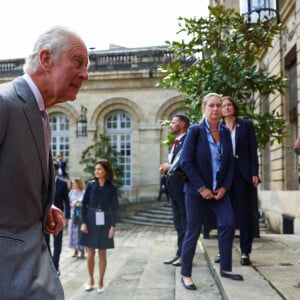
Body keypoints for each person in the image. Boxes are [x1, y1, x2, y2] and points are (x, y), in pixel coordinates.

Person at [0, 26, 89, 299]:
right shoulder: (4, 103)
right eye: (78, 63)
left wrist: (41, 205)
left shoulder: (40, 114)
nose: (86, 74)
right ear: (47, 59)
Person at [179, 93, 243, 291]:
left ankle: (225, 267)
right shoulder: (195, 131)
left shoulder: (224, 132)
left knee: (228, 223)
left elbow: (231, 163)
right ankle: (186, 274)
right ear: (204, 109)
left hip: (219, 191)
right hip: (196, 192)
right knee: (193, 232)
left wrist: (225, 187)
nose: (216, 109)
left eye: (219, 106)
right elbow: (186, 162)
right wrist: (202, 188)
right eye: (212, 106)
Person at [219, 96, 260, 266]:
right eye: (223, 105)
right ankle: (223, 252)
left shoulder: (246, 125)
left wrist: (254, 172)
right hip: (224, 177)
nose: (226, 107)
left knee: (244, 215)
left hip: (243, 176)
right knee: (224, 216)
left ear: (234, 107)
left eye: (229, 105)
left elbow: (252, 150)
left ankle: (245, 252)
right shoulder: (218, 127)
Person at [80, 159, 119, 294]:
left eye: (99, 169)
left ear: (106, 172)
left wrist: (113, 226)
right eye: (95, 169)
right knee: (90, 252)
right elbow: (83, 204)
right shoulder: (90, 185)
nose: (96, 171)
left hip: (105, 220)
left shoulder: (112, 188)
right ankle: (90, 279)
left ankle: (101, 281)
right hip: (90, 219)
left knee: (102, 252)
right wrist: (83, 222)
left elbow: (114, 208)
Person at [159, 114, 190, 267]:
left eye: (173, 122)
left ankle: (185, 255)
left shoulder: (188, 141)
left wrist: (169, 167)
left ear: (182, 125)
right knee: (178, 223)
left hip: (183, 187)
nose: (170, 125)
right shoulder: (174, 143)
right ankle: (179, 253)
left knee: (184, 222)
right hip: (173, 188)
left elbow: (187, 163)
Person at [45, 160, 71, 275]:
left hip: (58, 217)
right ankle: (50, 264)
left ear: (56, 170)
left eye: (52, 169)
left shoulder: (62, 183)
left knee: (58, 242)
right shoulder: (43, 182)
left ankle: (56, 265)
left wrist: (67, 217)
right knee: (45, 242)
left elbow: (67, 201)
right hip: (45, 217)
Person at [68, 177, 86, 258]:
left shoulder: (83, 192)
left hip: (80, 215)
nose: (73, 185)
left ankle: (82, 250)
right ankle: (75, 250)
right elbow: (68, 202)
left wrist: (78, 204)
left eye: (74, 183)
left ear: (78, 183)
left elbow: (85, 203)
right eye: (72, 183)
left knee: (80, 232)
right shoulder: (71, 192)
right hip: (72, 215)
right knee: (73, 232)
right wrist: (71, 205)